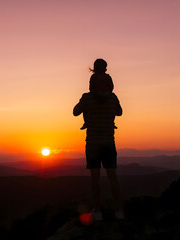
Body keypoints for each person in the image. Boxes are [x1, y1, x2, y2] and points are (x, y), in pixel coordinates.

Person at [73, 79, 123, 221]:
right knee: (113, 177)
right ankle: (119, 211)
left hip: (93, 143)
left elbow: (75, 112)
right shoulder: (113, 97)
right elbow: (119, 112)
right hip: (109, 143)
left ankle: (98, 212)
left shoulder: (87, 98)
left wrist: (85, 103)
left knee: (95, 180)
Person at [81, 58, 114, 130]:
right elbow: (111, 87)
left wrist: (91, 94)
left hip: (95, 94)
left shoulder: (93, 77)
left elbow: (91, 87)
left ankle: (86, 122)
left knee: (85, 109)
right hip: (108, 139)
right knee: (112, 109)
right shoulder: (108, 77)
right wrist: (108, 94)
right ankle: (112, 122)